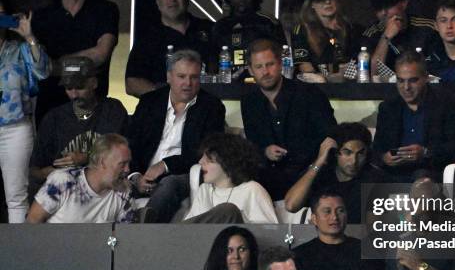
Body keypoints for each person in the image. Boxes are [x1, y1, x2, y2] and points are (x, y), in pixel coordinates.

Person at [128, 49, 225, 223]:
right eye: (181, 76)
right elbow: (131, 144)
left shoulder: (212, 107)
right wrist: (136, 176)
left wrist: (165, 165)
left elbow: (206, 151)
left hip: (182, 174)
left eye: (194, 77)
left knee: (169, 184)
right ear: (169, 77)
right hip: (142, 173)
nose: (188, 83)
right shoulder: (149, 102)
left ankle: (143, 230)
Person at [241, 38, 336, 200]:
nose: (265, 72)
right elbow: (253, 144)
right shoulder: (249, 101)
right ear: (250, 70)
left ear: (280, 64)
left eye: (270, 64)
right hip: (268, 178)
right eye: (259, 67)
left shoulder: (309, 95)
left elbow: (329, 137)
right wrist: (265, 151)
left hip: (310, 174)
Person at [32, 0, 119, 123]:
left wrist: (55, 66)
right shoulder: (41, 17)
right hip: (50, 106)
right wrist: (84, 61)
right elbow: (39, 65)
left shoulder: (106, 10)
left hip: (93, 106)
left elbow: (102, 53)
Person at [30, 56, 128, 186]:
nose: (74, 94)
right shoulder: (54, 118)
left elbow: (124, 155)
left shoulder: (112, 110)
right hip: (63, 189)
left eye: (79, 87)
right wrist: (50, 174)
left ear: (94, 83)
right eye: (69, 88)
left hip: (106, 188)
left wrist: (86, 158)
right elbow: (34, 169)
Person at [373, 50, 455, 182]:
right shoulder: (388, 107)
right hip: (394, 173)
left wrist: (425, 153)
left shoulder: (448, 105)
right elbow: (377, 149)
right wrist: (384, 158)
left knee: (421, 177)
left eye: (413, 81)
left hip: (433, 172)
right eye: (400, 81)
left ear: (426, 78)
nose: (406, 87)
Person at [0, 0, 50, 223]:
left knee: (16, 195)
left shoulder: (19, 50)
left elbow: (43, 71)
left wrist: (29, 36)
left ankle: (15, 252)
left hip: (15, 128)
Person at [125, 0, 213, 97]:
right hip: (164, 111)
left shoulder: (209, 29)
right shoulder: (148, 38)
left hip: (207, 108)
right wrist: (171, 98)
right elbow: (132, 83)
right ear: (158, 2)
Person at [285, 122, 385, 223]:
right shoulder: (321, 175)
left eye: (360, 153)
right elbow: (291, 205)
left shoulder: (375, 179)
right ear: (336, 153)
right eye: (347, 152)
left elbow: (375, 227)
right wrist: (319, 161)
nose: (354, 160)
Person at [26, 133, 134, 224]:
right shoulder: (63, 181)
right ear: (103, 162)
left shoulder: (123, 192)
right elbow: (32, 223)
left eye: (128, 163)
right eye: (122, 164)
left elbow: (124, 239)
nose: (127, 169)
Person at [212, 0, 286, 78]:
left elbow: (283, 62)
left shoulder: (268, 23)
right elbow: (212, 66)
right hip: (228, 88)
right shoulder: (220, 27)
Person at [184, 133, 278, 223]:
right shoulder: (204, 190)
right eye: (202, 158)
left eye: (208, 160)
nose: (200, 162)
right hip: (204, 239)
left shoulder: (252, 189)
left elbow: (270, 230)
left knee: (228, 210)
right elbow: (190, 229)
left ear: (228, 162)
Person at [292, 0, 361, 76]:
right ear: (312, 4)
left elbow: (358, 64)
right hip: (315, 86)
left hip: (346, 85)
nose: (327, 2)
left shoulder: (350, 28)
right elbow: (305, 68)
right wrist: (330, 77)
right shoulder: (302, 30)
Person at [362, 0, 436, 74]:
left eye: (388, 5)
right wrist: (385, 37)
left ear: (404, 4)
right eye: (379, 8)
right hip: (383, 88)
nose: (384, 12)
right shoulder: (372, 33)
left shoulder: (427, 28)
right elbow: (372, 74)